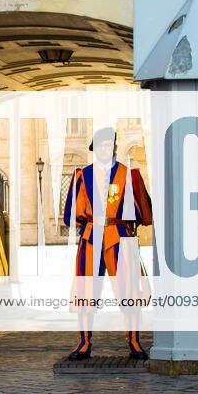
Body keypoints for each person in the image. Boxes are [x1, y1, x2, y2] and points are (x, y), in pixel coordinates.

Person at [62, 127, 152, 360]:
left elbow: (143, 210)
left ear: (113, 147)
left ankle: (134, 341)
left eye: (109, 145)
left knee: (129, 288)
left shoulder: (128, 175)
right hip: (91, 237)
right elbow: (70, 213)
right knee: (85, 289)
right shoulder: (82, 175)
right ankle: (83, 343)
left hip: (120, 235)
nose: (105, 149)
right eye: (101, 145)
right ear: (95, 149)